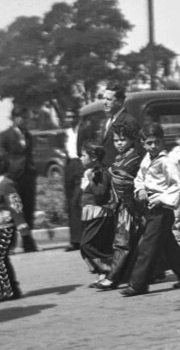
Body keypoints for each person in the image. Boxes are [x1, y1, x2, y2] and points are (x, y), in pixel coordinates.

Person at [120, 122, 180, 296]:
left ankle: (138, 284)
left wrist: (162, 200)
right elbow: (139, 178)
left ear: (162, 142)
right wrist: (140, 189)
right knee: (167, 245)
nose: (153, 146)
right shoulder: (147, 160)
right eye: (149, 143)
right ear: (143, 143)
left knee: (147, 246)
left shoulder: (166, 161)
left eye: (156, 142)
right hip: (150, 207)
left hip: (162, 209)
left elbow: (176, 185)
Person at [96, 124, 144, 290]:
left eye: (123, 139)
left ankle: (112, 278)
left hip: (131, 207)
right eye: (116, 140)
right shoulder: (119, 158)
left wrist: (110, 171)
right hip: (121, 206)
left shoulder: (134, 159)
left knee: (122, 242)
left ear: (131, 140)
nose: (119, 143)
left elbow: (122, 175)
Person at [0, 149, 30, 303]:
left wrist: (22, 226)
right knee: (1, 258)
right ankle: (13, 289)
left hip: (6, 228)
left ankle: (6, 290)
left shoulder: (6, 183)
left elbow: (14, 204)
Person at [0, 105, 40, 253]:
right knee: (13, 210)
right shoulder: (5, 136)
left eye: (28, 118)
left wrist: (33, 170)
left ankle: (28, 243)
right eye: (24, 118)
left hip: (28, 178)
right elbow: (2, 158)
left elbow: (29, 155)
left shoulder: (28, 135)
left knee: (28, 210)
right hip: (13, 179)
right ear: (15, 118)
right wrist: (6, 176)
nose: (26, 121)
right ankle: (10, 245)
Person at [78, 143, 114, 287]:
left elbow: (100, 193)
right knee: (98, 245)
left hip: (100, 213)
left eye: (83, 155)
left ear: (93, 157)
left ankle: (112, 267)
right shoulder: (92, 171)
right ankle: (102, 275)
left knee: (86, 245)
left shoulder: (100, 173)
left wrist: (91, 181)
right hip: (92, 213)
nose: (81, 158)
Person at [62, 109, 87, 252]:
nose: (70, 119)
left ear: (77, 118)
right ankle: (74, 240)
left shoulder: (83, 130)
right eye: (67, 117)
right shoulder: (66, 133)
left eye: (72, 116)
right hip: (69, 166)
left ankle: (81, 238)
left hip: (80, 165)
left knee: (77, 201)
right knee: (70, 203)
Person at [98, 84, 140, 167]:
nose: (104, 102)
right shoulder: (107, 121)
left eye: (109, 99)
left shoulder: (129, 121)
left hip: (119, 173)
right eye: (104, 99)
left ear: (120, 101)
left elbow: (137, 150)